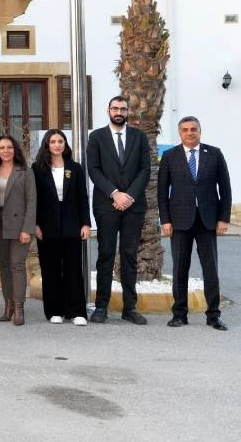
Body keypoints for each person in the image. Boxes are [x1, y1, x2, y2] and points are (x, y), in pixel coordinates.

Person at [158, 116, 232, 331]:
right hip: (179, 221)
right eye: (185, 130)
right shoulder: (170, 156)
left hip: (208, 221)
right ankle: (179, 314)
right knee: (180, 268)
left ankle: (213, 316)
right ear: (180, 133)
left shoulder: (215, 154)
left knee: (211, 269)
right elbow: (162, 192)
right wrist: (166, 220)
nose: (190, 133)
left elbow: (225, 189)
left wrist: (223, 218)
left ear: (200, 131)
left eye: (193, 129)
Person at [87, 95, 151, 325]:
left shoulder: (139, 137)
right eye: (115, 108)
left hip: (133, 207)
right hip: (107, 205)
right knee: (105, 255)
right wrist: (115, 193)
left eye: (123, 109)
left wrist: (129, 196)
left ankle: (129, 308)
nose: (119, 112)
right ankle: (101, 307)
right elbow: (94, 170)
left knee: (129, 255)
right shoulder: (96, 137)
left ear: (128, 112)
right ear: (108, 110)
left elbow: (145, 169)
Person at [32, 129, 91, 326]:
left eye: (60, 141)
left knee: (74, 269)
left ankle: (76, 311)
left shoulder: (75, 168)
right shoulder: (37, 169)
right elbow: (34, 200)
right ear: (46, 145)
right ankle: (54, 310)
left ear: (65, 144)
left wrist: (85, 223)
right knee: (50, 270)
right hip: (47, 228)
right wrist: (35, 224)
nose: (57, 145)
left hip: (72, 227)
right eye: (53, 141)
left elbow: (83, 197)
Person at [0, 135, 36, 326]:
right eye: (2, 148)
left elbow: (32, 202)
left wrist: (27, 228)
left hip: (19, 226)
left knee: (17, 265)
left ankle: (19, 308)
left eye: (9, 147)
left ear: (15, 150)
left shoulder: (25, 172)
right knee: (4, 266)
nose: (6, 151)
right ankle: (7, 307)